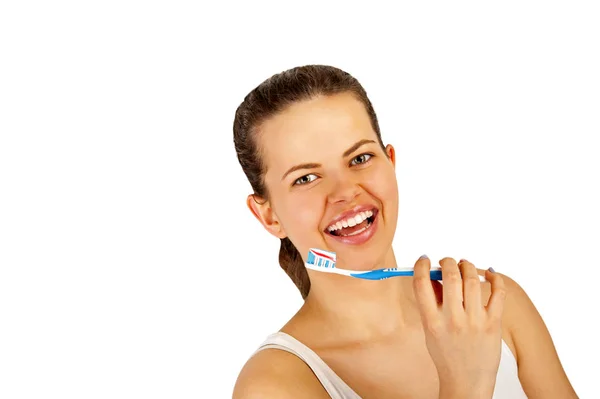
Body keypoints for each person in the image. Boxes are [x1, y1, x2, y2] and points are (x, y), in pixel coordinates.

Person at [230, 65, 578, 398]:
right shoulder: (273, 384)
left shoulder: (491, 304)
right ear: (269, 215)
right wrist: (466, 382)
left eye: (360, 158)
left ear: (391, 163)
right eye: (306, 178)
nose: (346, 192)